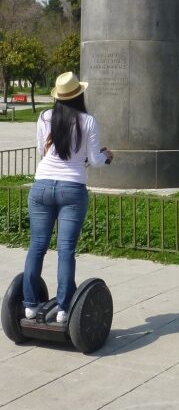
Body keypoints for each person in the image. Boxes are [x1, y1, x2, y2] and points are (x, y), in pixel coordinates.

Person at [23, 72, 113, 323]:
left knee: (37, 247)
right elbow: (94, 160)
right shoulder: (88, 121)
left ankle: (29, 305)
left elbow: (43, 149)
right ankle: (64, 309)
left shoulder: (44, 117)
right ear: (79, 94)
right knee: (65, 250)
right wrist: (108, 156)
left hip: (41, 186)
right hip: (72, 189)